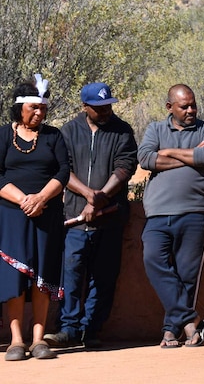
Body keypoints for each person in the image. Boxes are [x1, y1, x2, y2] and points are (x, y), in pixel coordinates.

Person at [44, 82, 137, 350]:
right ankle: (68, 328)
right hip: (74, 218)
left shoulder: (123, 131)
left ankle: (91, 330)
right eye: (98, 107)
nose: (105, 110)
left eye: (108, 105)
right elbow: (63, 168)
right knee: (71, 275)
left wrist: (101, 197)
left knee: (104, 277)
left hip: (110, 219)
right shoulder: (69, 131)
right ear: (84, 107)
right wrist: (88, 195)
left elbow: (125, 167)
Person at [137, 84, 204, 349]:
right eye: (184, 106)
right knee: (153, 261)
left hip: (195, 211)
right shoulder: (155, 129)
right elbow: (146, 159)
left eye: (193, 105)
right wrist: (191, 156)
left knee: (186, 275)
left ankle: (171, 331)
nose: (191, 110)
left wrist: (169, 151)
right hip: (158, 212)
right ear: (169, 107)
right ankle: (192, 319)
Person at [0, 76, 70, 361]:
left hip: (47, 214)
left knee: (43, 276)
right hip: (12, 216)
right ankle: (17, 341)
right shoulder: (5, 135)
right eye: (34, 108)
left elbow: (63, 171)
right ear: (20, 109)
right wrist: (23, 199)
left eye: (43, 108)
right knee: (16, 277)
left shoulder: (53, 136)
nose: (39, 113)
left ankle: (39, 339)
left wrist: (41, 198)